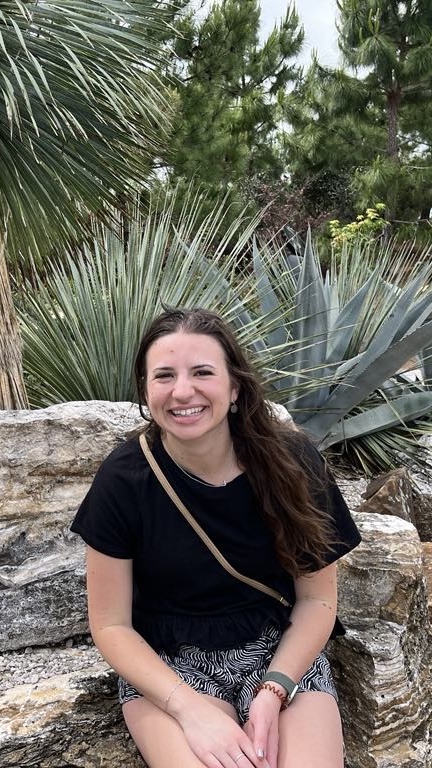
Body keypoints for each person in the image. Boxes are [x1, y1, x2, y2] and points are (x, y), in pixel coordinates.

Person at [71, 307, 361, 768]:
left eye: (202, 372)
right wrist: (190, 710)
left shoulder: (293, 463)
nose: (182, 391)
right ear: (146, 391)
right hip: (168, 666)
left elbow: (318, 601)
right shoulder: (124, 480)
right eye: (164, 375)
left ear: (234, 387)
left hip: (276, 648)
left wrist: (273, 690)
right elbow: (111, 625)